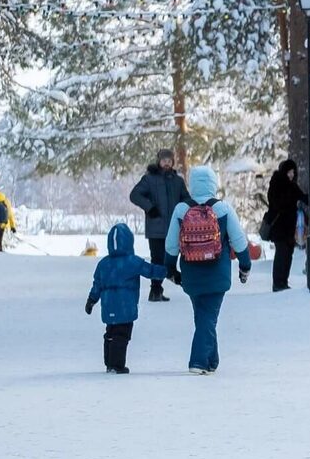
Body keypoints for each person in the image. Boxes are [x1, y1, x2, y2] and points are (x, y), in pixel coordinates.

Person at [165, 165, 253, 375]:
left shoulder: (181, 210)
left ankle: (211, 360)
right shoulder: (223, 209)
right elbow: (239, 241)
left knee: (203, 316)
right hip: (217, 273)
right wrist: (245, 265)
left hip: (191, 274)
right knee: (208, 317)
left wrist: (170, 269)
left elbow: (171, 245)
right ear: (214, 184)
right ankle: (198, 361)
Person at [84, 222, 168, 374]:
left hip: (108, 306)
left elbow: (97, 284)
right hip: (126, 306)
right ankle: (117, 365)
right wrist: (166, 269)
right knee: (122, 335)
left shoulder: (104, 264)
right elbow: (150, 271)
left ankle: (109, 363)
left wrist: (91, 300)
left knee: (110, 333)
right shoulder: (133, 261)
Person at [128, 150, 188, 301]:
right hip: (156, 228)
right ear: (158, 161)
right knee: (157, 258)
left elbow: (186, 199)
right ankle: (155, 290)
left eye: (169, 160)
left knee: (173, 256)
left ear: (173, 162)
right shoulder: (149, 179)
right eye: (163, 160)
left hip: (174, 227)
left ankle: (171, 276)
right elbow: (135, 195)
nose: (166, 163)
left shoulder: (178, 181)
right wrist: (150, 208)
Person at [264, 159, 305, 291]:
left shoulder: (291, 186)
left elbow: (303, 197)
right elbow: (277, 203)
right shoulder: (278, 184)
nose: (292, 174)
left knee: (287, 254)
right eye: (290, 171)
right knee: (281, 254)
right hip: (280, 227)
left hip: (288, 228)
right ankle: (278, 283)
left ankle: (283, 281)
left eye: (293, 172)